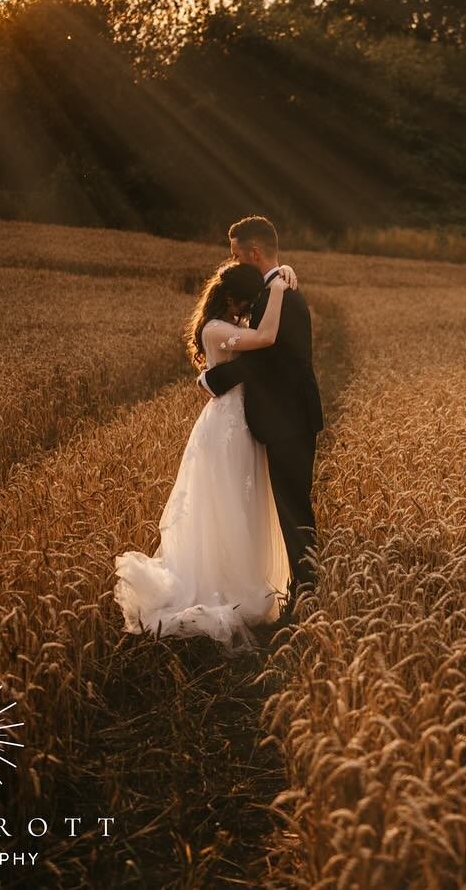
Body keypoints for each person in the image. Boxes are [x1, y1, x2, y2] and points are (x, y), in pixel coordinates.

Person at [112, 260, 299, 651]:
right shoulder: (215, 330)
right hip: (225, 427)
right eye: (245, 303)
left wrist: (281, 270)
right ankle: (221, 585)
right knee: (224, 502)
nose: (247, 310)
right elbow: (265, 340)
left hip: (240, 422)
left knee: (243, 502)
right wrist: (279, 287)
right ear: (229, 297)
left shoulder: (229, 326)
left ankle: (243, 578)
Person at [198, 216, 324, 629]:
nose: (231, 263)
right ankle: (304, 591)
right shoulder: (277, 289)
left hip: (288, 418)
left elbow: (263, 359)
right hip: (286, 416)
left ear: (254, 253)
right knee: (290, 506)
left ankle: (307, 598)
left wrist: (213, 379)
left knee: (294, 510)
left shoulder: (280, 294)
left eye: (236, 254)